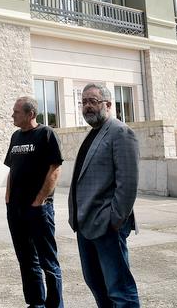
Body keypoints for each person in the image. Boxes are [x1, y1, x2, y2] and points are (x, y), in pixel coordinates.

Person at [68, 83, 140, 307]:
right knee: (96, 284)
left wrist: (114, 220)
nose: (88, 106)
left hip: (106, 226)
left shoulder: (121, 132)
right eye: (84, 102)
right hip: (85, 224)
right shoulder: (93, 134)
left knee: (120, 290)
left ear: (108, 105)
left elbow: (127, 183)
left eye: (93, 101)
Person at [5, 96, 64, 308]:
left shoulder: (46, 134)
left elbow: (55, 169)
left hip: (39, 209)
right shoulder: (15, 137)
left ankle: (55, 305)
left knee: (48, 261)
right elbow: (12, 169)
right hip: (16, 209)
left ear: (30, 114)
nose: (13, 115)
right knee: (26, 260)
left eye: (16, 112)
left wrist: (40, 200)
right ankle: (35, 303)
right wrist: (8, 198)